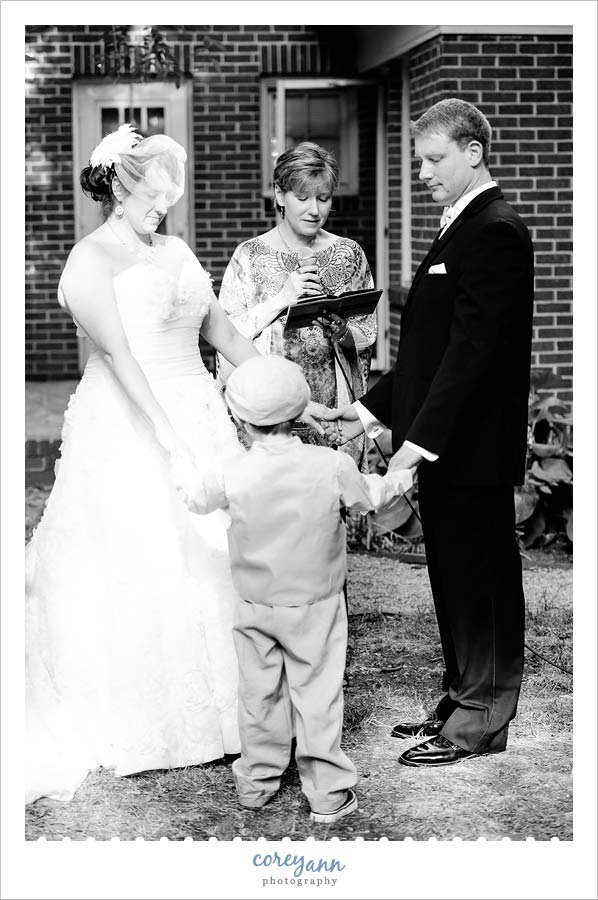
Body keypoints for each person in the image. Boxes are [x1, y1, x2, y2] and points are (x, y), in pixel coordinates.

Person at [25, 124, 267, 805]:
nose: (163, 207)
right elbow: (126, 361)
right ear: (117, 187)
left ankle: (237, 710)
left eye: (169, 196)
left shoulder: (177, 249)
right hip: (134, 422)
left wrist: (277, 387)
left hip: (199, 408)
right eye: (152, 195)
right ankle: (154, 719)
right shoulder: (88, 262)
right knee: (151, 557)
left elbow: (219, 330)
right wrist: (171, 442)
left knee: (220, 559)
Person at [323, 98, 534, 767]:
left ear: (474, 152)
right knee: (453, 579)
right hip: (448, 446)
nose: (422, 171)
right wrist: (359, 411)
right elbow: (428, 354)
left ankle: (481, 720)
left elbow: (473, 356)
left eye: (434, 157)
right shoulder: (461, 226)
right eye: (419, 159)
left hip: (470, 449)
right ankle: (458, 699)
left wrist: (415, 446)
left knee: (483, 583)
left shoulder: (496, 229)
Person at [177, 355, 414, 822]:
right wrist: (402, 474)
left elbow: (195, 496)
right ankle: (326, 792)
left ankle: (256, 782)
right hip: (315, 606)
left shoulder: (232, 472)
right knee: (318, 694)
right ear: (301, 409)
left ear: (240, 419)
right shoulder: (332, 465)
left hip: (254, 605)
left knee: (258, 693)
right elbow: (371, 497)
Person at [217, 141, 377, 472]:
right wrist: (281, 300)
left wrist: (343, 330)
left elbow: (368, 331)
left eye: (323, 198)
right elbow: (227, 333)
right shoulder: (250, 255)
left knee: (329, 505)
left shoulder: (349, 254)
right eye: (302, 198)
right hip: (271, 412)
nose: (314, 210)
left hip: (333, 409)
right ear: (279, 195)